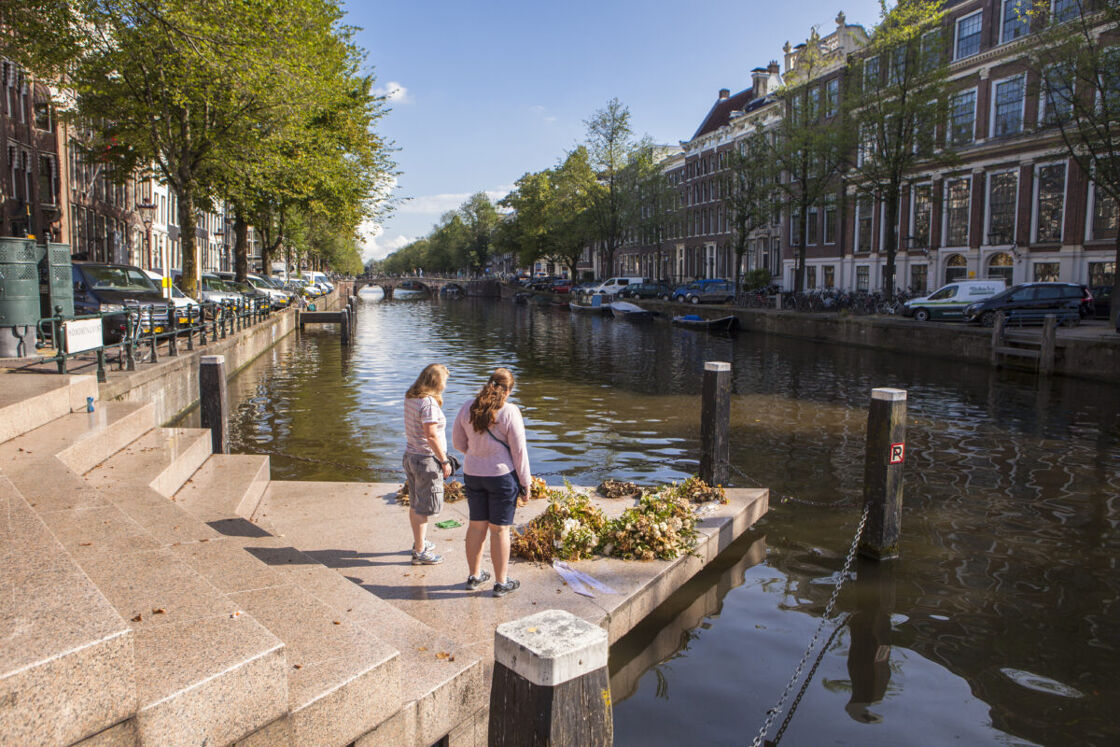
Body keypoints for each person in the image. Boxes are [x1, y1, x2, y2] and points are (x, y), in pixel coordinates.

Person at [452, 367, 531, 597]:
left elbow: (458, 442)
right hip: (501, 478)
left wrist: (476, 453)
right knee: (500, 530)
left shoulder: (468, 406)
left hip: (473, 474)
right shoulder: (509, 411)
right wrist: (526, 484)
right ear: (507, 391)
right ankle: (500, 582)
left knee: (476, 526)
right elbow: (519, 452)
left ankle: (474, 576)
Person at [403, 363, 452, 565]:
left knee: (415, 503)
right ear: (437, 382)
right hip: (426, 460)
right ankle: (420, 552)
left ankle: (419, 542)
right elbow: (431, 436)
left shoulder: (411, 398)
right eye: (445, 381)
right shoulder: (428, 404)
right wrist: (444, 460)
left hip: (410, 456)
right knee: (423, 507)